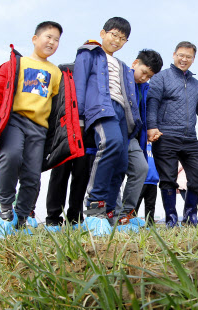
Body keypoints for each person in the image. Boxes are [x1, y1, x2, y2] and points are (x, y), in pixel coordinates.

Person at [0, 21, 83, 239]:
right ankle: (6, 209)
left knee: (32, 176)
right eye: (48, 37)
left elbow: (59, 107)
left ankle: (21, 217)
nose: (52, 42)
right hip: (15, 121)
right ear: (35, 38)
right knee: (11, 155)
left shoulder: (55, 73)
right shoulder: (15, 64)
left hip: (40, 128)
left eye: (56, 40)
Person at [74, 17, 142, 236]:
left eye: (122, 38)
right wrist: (80, 117)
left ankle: (110, 214)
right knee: (110, 143)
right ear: (103, 33)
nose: (117, 40)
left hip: (122, 113)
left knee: (121, 163)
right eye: (114, 34)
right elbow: (80, 84)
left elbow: (130, 96)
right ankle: (95, 208)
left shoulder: (122, 66)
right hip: (101, 107)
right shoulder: (89, 53)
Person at [147, 41, 198, 227]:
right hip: (165, 136)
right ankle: (171, 218)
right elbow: (152, 102)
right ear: (174, 55)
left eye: (188, 57)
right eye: (181, 55)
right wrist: (151, 126)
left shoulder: (196, 84)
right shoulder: (161, 78)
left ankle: (190, 215)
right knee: (168, 179)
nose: (184, 59)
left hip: (189, 138)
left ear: (193, 59)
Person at [114, 49, 163, 231]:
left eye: (149, 76)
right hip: (115, 132)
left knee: (141, 168)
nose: (144, 78)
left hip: (133, 136)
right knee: (116, 173)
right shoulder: (119, 77)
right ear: (135, 63)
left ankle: (126, 213)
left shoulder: (145, 88)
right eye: (144, 72)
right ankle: (113, 212)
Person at [135, 141, 159, 226]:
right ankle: (131, 223)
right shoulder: (139, 146)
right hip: (141, 181)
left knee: (151, 205)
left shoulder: (156, 148)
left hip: (153, 182)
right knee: (135, 204)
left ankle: (150, 225)